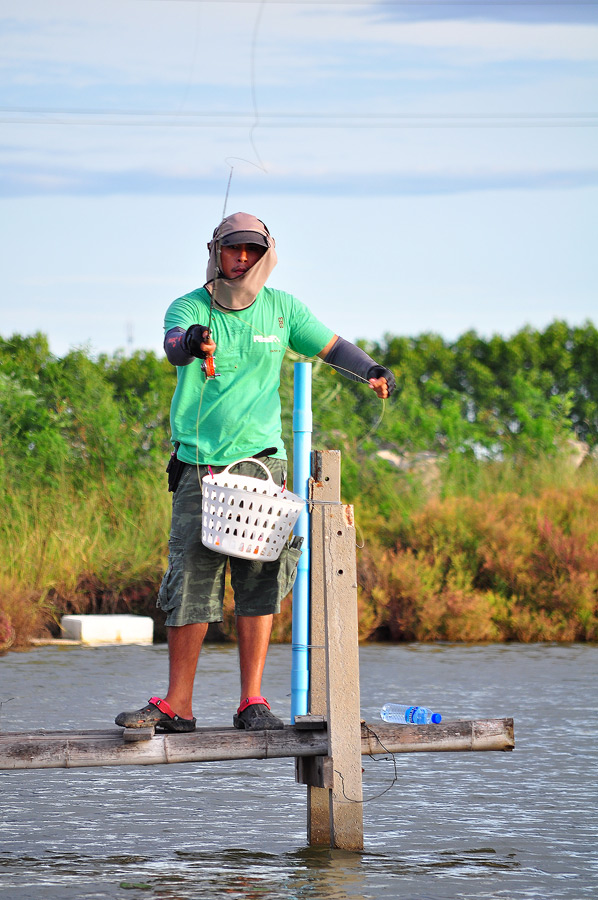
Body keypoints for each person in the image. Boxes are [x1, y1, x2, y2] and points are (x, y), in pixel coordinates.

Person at [116, 212, 395, 734]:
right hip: (200, 467)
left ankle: (252, 703)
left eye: (251, 250)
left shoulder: (283, 309)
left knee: (259, 577)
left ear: (265, 254)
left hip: (263, 466)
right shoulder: (189, 306)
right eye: (232, 249)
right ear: (216, 252)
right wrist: (194, 339)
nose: (241, 258)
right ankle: (178, 705)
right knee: (192, 581)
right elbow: (174, 345)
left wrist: (373, 371)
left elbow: (331, 347)